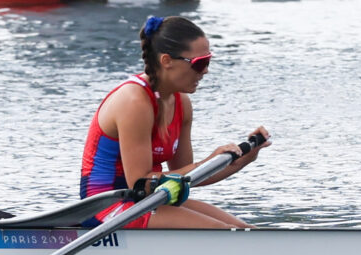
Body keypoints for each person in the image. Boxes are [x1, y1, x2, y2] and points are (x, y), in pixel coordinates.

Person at [79, 15, 270, 228]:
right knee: (226, 234)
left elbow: (189, 176)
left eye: (209, 60)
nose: (206, 71)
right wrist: (206, 162)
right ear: (167, 61)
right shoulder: (134, 102)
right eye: (200, 63)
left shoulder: (182, 103)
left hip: (146, 202)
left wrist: (244, 160)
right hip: (107, 208)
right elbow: (141, 183)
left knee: (248, 232)